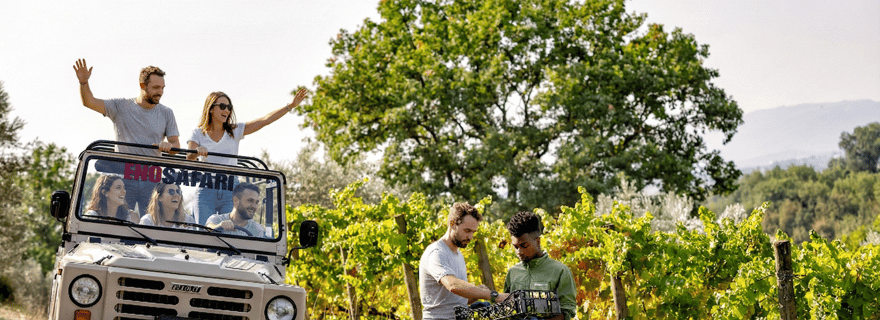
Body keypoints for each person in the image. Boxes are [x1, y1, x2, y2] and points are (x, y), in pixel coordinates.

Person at [73, 59, 181, 216]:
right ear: (142, 86)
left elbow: (175, 144)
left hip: (151, 178)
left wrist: (169, 146)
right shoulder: (121, 106)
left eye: (162, 88)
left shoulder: (167, 113)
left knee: (151, 223)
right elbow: (89, 102)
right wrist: (84, 83)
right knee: (121, 221)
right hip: (124, 177)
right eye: (156, 87)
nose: (160, 92)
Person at [186, 89, 307, 225]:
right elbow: (189, 156)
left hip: (230, 188)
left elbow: (265, 120)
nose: (227, 110)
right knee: (203, 230)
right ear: (211, 109)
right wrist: (197, 151)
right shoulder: (198, 132)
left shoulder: (235, 131)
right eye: (222, 106)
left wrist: (290, 106)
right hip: (207, 187)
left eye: (229, 107)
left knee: (232, 231)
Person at [419, 202, 509, 320]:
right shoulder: (436, 252)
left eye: (473, 232)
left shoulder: (458, 255)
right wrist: (494, 296)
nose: (470, 237)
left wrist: (476, 294)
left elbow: (453, 302)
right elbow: (453, 285)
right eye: (467, 231)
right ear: (452, 224)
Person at [503, 211, 577, 320]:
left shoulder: (560, 271)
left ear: (537, 241)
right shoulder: (512, 272)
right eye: (515, 247)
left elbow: (567, 310)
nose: (519, 251)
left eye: (524, 246)